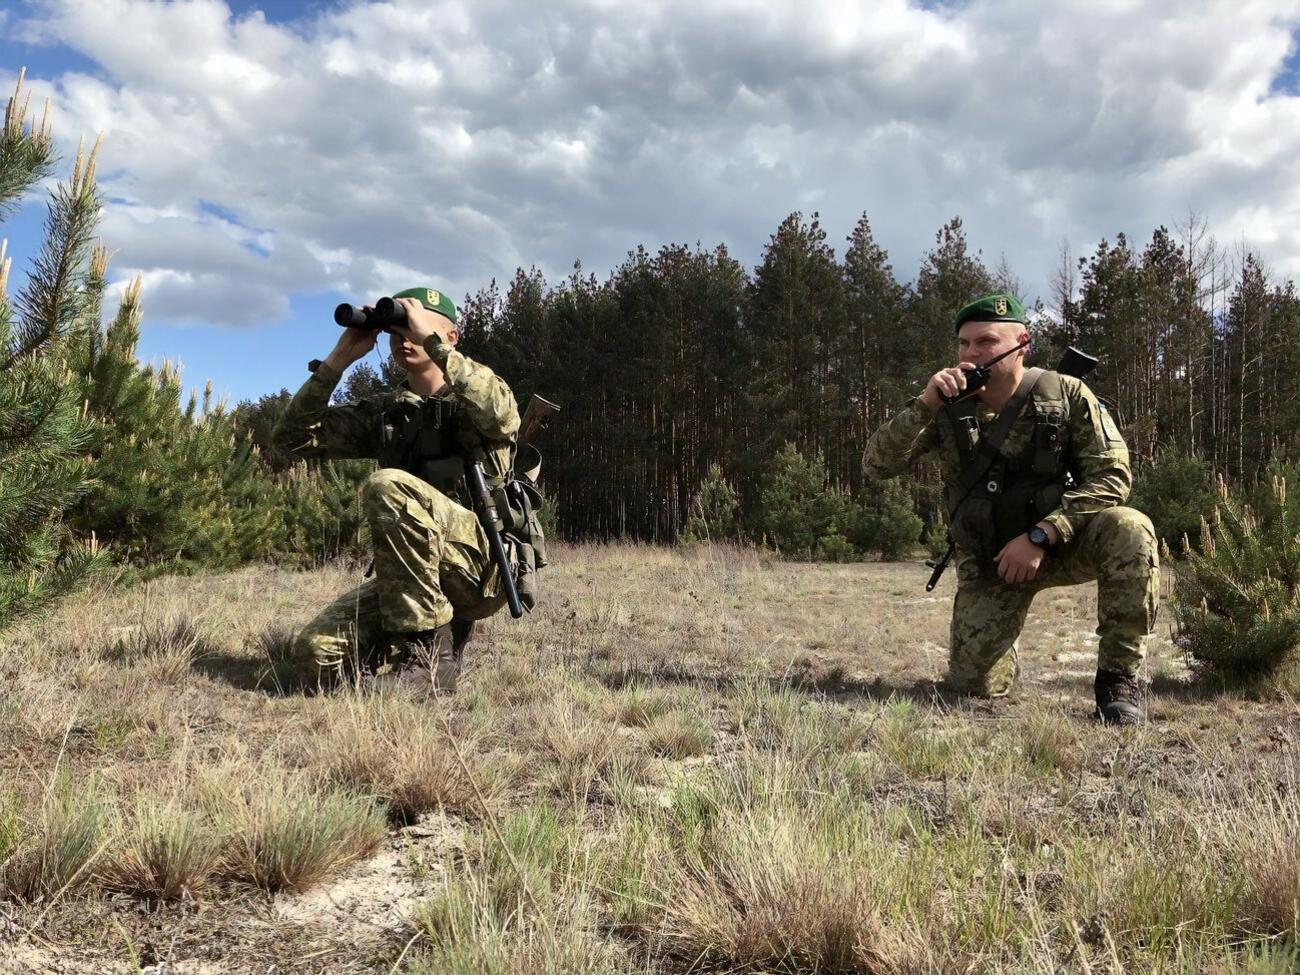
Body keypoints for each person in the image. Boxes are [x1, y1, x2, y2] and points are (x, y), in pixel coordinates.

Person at [862, 293, 1159, 724]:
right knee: (974, 688)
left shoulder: (1066, 394)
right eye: (963, 344)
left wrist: (1043, 534)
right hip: (989, 562)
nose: (970, 353)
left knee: (1131, 529)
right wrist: (925, 404)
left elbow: (1113, 477)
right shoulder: (944, 407)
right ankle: (1001, 645)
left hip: (1059, 546)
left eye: (984, 341)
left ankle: (1117, 682)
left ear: (1022, 343)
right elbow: (876, 466)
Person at [273, 287, 520, 693]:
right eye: (396, 328)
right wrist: (339, 360)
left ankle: (429, 665)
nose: (405, 337)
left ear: (450, 336)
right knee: (315, 654)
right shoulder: (390, 414)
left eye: (413, 326)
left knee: (389, 485)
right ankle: (405, 649)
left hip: (483, 567)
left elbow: (501, 415)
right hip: (410, 574)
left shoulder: (479, 394)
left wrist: (431, 341)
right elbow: (291, 438)